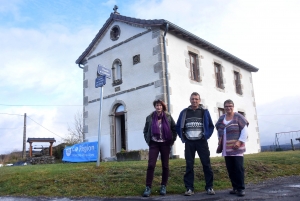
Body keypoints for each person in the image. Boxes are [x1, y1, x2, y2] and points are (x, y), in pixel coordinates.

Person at [176, 92, 215, 196]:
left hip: (201, 141)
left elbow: (211, 126)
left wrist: (206, 136)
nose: (194, 101)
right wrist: (183, 137)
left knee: (206, 164)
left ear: (199, 100)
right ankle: (189, 188)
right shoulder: (184, 112)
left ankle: (209, 187)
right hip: (189, 142)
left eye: (196, 99)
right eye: (193, 99)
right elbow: (178, 126)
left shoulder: (204, 112)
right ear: (190, 100)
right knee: (189, 165)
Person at [142, 99, 177, 197]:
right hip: (154, 144)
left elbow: (174, 129)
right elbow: (145, 131)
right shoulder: (150, 117)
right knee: (151, 165)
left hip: (165, 144)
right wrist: (148, 140)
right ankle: (148, 187)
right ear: (155, 106)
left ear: (163, 107)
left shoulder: (168, 117)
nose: (158, 107)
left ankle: (163, 186)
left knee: (165, 165)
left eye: (160, 105)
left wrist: (172, 140)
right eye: (157, 105)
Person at [215, 99, 248, 197]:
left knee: (238, 168)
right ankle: (235, 187)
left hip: (236, 148)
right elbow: (219, 129)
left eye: (230, 106)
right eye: (226, 106)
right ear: (224, 108)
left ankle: (241, 188)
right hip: (226, 148)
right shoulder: (222, 118)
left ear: (233, 107)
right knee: (230, 169)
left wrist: (239, 141)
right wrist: (219, 139)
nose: (228, 108)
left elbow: (244, 130)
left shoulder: (238, 116)